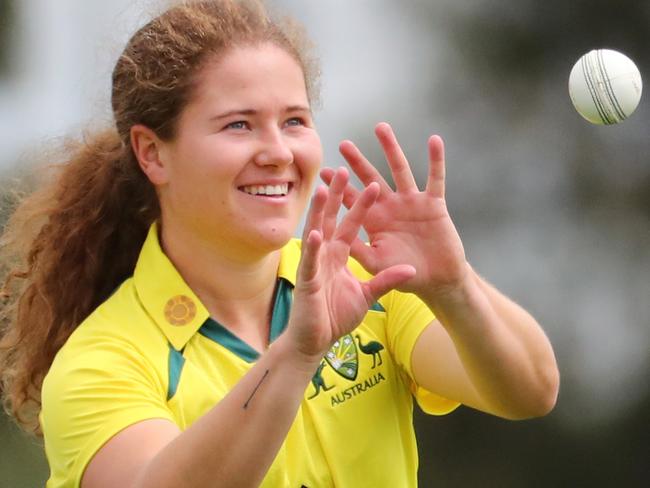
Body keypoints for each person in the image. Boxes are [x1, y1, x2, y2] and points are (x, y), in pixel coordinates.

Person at [0, 1, 559, 486]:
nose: (277, 152)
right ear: (152, 154)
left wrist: (455, 285)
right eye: (238, 125)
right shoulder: (101, 360)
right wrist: (297, 355)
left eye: (294, 121)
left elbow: (531, 392)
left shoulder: (367, 285)